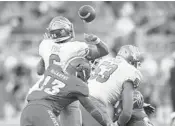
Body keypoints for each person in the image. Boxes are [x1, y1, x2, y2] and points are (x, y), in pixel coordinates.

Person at [20, 16, 115, 126]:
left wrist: (44, 55)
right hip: (69, 89)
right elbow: (103, 52)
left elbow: (39, 71)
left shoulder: (46, 45)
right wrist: (97, 41)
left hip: (45, 88)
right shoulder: (76, 47)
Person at [87, 45, 142, 126]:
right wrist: (118, 124)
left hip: (77, 98)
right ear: (131, 60)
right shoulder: (131, 71)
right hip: (95, 105)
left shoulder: (105, 60)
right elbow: (127, 112)